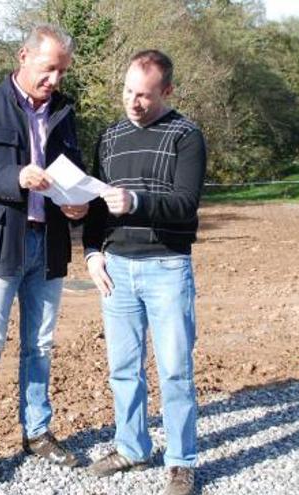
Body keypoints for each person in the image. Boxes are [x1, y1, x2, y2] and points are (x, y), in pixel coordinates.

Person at [0, 24, 89, 482]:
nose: (55, 80)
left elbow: (76, 171)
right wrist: (16, 178)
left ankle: (38, 433)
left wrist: (77, 203)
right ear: (23, 56)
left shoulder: (65, 112)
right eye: (49, 69)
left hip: (48, 245)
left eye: (61, 72)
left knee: (41, 346)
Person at [82, 50, 206, 495]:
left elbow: (185, 203)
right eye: (128, 92)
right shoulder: (110, 136)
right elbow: (96, 203)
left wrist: (136, 202)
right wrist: (92, 252)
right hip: (116, 267)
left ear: (167, 91)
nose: (134, 102)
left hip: (167, 266)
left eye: (145, 96)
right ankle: (132, 447)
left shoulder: (186, 135)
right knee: (123, 368)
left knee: (175, 369)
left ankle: (181, 461)